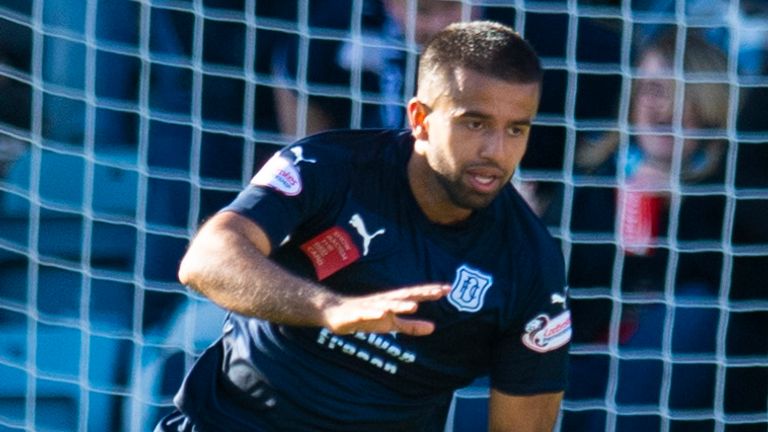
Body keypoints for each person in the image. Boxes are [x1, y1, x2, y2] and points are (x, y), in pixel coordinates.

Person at [157, 21, 571, 431]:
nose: (496, 151)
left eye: (516, 129)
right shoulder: (332, 166)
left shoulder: (531, 265)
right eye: (475, 123)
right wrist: (329, 308)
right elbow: (205, 259)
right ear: (420, 119)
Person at [559, 29, 768, 430]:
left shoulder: (737, 190)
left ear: (709, 105)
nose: (662, 109)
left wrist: (682, 208)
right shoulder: (593, 178)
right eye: (650, 90)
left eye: (677, 92)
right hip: (581, 367)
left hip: (677, 391)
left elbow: (736, 298)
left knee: (693, 310)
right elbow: (564, 292)